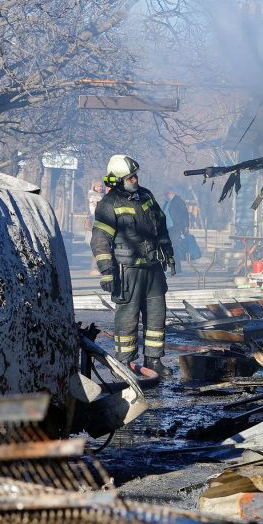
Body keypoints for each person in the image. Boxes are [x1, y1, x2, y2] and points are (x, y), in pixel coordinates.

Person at [90, 154, 175, 375]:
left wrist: (169, 254)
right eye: (130, 177)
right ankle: (125, 364)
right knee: (127, 318)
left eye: (135, 175)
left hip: (153, 268)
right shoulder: (109, 204)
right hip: (127, 271)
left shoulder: (146, 196)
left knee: (157, 315)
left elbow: (161, 227)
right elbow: (100, 240)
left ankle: (154, 361)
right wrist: (107, 272)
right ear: (118, 180)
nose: (135, 179)